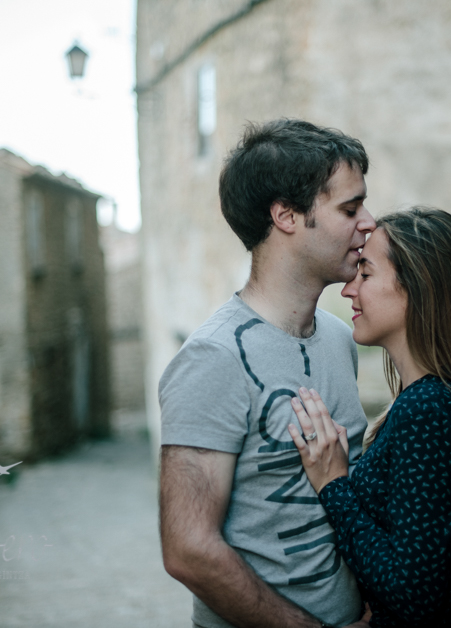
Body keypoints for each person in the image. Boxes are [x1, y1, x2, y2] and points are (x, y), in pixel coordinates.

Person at [159, 119, 377, 628]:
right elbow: (188, 549)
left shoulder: (340, 338)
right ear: (286, 216)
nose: (368, 222)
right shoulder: (213, 358)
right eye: (349, 208)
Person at [286, 207, 451, 627]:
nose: (349, 290)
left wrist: (333, 484)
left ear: (417, 289)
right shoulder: (426, 401)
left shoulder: (429, 412)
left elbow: (412, 594)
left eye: (365, 273)